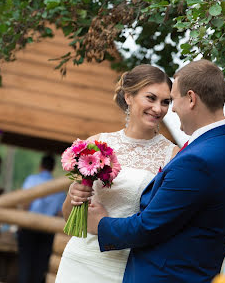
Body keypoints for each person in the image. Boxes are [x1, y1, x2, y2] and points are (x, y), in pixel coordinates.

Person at [87, 59, 225, 282]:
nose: (171, 109)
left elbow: (149, 226)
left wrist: (101, 224)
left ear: (191, 99)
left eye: (173, 100)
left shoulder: (198, 159)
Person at [55, 65, 179, 283]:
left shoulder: (173, 156)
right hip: (80, 261)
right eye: (150, 98)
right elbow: (68, 219)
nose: (158, 108)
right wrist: (74, 195)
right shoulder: (95, 144)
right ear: (128, 96)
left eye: (165, 102)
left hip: (126, 267)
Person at [17, 154, 66, 283]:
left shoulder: (31, 180)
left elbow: (25, 203)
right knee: (41, 265)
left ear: (40, 166)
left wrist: (20, 223)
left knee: (25, 262)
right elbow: (59, 213)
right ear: (53, 168)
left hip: (28, 226)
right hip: (47, 230)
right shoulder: (59, 187)